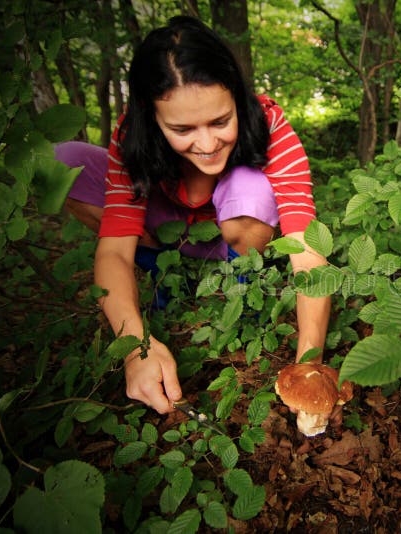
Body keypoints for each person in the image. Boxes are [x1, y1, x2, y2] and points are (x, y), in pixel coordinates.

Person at [55, 16, 331, 415]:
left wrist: (309, 363)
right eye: (183, 128)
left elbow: (306, 247)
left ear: (237, 98)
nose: (206, 144)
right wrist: (136, 347)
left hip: (231, 228)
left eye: (220, 121)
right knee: (65, 160)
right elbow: (113, 250)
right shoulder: (132, 134)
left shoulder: (269, 122)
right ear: (151, 117)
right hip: (165, 227)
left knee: (251, 190)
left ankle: (240, 290)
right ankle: (163, 284)